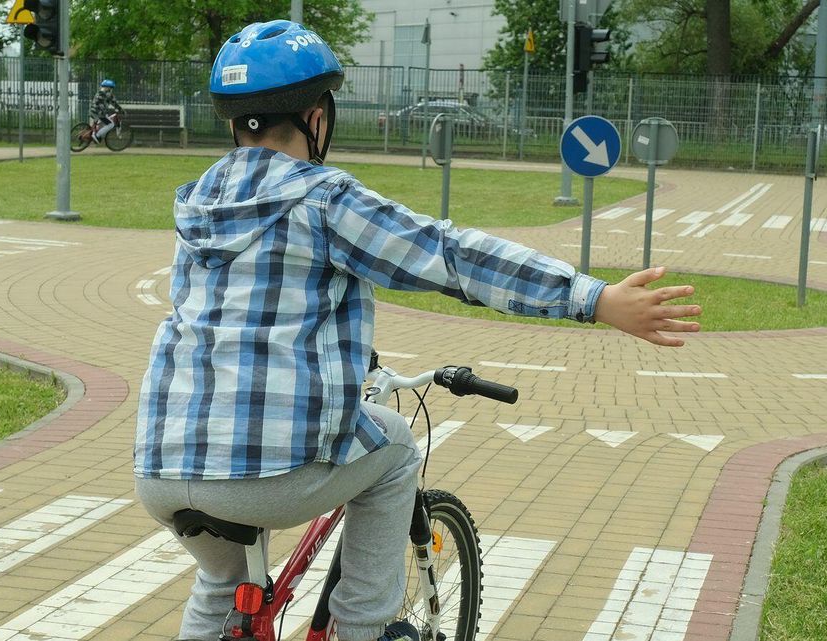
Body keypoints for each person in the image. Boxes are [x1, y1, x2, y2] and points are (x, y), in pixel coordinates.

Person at [133, 20, 701, 641]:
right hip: (264, 478)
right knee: (397, 447)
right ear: (316, 116)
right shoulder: (322, 200)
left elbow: (252, 319)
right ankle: (363, 627)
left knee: (222, 583)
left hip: (161, 468)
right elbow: (448, 255)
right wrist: (591, 298)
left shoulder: (198, 202)